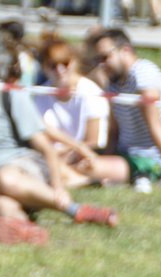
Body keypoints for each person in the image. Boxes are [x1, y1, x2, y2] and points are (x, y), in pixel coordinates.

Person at [0, 26, 118, 244]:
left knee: (5, 178)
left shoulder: (9, 95)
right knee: (0, 203)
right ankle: (27, 231)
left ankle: (75, 209)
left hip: (22, 168)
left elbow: (45, 147)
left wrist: (58, 187)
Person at [88, 28, 161, 189]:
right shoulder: (113, 83)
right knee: (79, 160)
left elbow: (156, 125)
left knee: (87, 167)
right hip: (125, 154)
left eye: (105, 57)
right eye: (97, 60)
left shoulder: (143, 74)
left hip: (150, 160)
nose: (101, 65)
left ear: (125, 50)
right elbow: (114, 131)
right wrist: (107, 156)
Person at [34, 34, 127, 187]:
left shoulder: (90, 92)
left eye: (65, 63)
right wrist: (67, 150)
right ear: (44, 68)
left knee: (117, 167)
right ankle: (80, 180)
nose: (60, 70)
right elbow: (40, 136)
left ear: (74, 62)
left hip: (84, 156)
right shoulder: (40, 95)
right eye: (53, 65)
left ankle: (65, 176)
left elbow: (94, 141)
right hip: (54, 155)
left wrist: (69, 152)